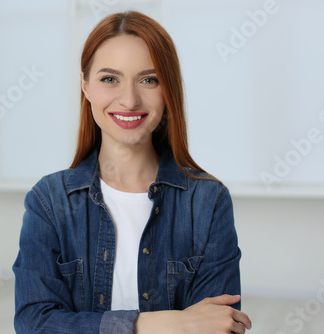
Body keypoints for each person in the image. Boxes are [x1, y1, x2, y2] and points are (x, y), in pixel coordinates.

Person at [13, 11, 251, 334]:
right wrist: (162, 323)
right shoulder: (48, 202)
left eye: (149, 80)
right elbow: (34, 324)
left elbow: (217, 328)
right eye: (110, 79)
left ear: (168, 89)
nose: (129, 100)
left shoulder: (208, 203)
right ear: (85, 86)